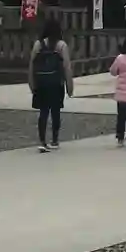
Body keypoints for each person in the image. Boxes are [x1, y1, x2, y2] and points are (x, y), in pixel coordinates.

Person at [28, 19, 73, 152]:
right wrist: (69, 86)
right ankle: (54, 139)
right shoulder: (61, 45)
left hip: (41, 83)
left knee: (43, 112)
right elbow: (67, 67)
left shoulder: (38, 44)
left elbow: (32, 65)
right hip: (56, 83)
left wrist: (31, 83)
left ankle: (42, 140)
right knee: (55, 112)